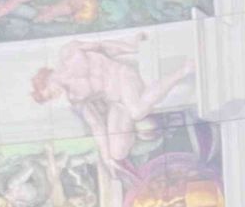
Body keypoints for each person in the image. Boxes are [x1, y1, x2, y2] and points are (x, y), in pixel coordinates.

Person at [31, 36, 194, 174]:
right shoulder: (75, 98)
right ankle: (145, 127)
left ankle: (182, 71)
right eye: (51, 98)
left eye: (50, 93)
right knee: (117, 153)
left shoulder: (69, 53)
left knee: (136, 111)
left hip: (122, 76)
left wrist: (131, 46)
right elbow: (96, 125)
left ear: (46, 79)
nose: (55, 97)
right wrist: (106, 157)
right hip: (116, 102)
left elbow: (103, 46)